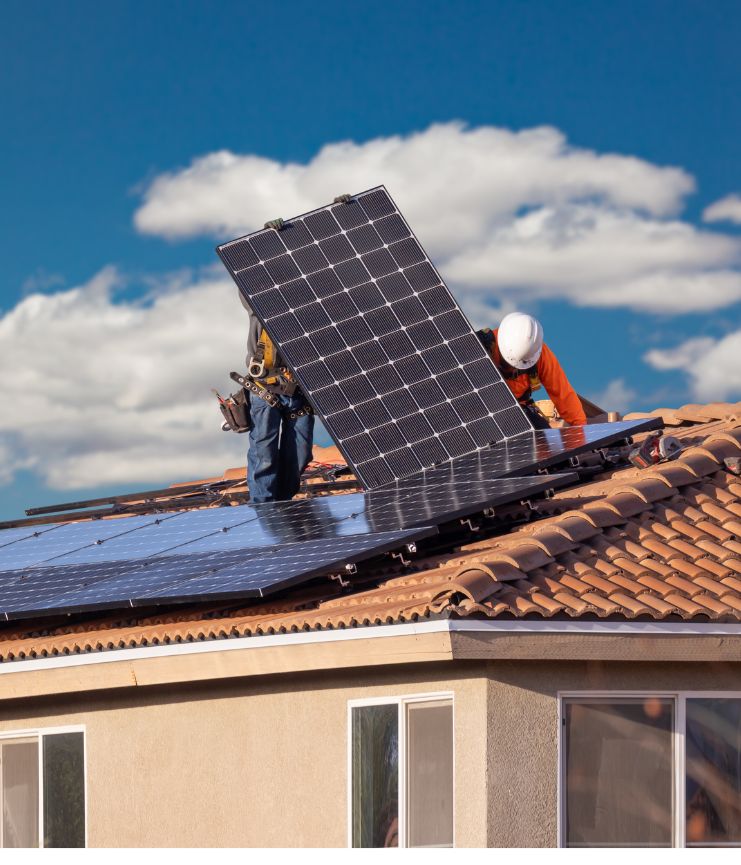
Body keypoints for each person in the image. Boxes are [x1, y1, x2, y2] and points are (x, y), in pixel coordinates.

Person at [239, 292, 314, 503]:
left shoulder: (308, 306)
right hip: (266, 389)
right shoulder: (260, 303)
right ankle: (264, 508)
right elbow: (248, 289)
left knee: (300, 454)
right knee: (264, 456)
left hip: (298, 392)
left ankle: (282, 505)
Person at [477, 312, 586, 429]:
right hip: (479, 409)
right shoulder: (478, 348)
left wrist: (581, 429)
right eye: (509, 363)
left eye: (520, 365)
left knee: (542, 436)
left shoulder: (538, 353)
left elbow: (562, 393)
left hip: (518, 411)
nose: (514, 369)